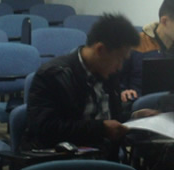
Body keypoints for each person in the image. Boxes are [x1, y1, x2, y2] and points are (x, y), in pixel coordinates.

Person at [23, 13, 151, 161]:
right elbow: (45, 129)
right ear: (100, 50)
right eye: (119, 59)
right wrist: (101, 129)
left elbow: (109, 118)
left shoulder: (108, 73)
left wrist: (133, 118)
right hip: (60, 161)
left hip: (101, 158)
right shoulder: (52, 75)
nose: (120, 67)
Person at [120, 0, 174, 103]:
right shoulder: (135, 43)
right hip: (140, 104)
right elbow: (115, 79)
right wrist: (123, 91)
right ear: (164, 21)